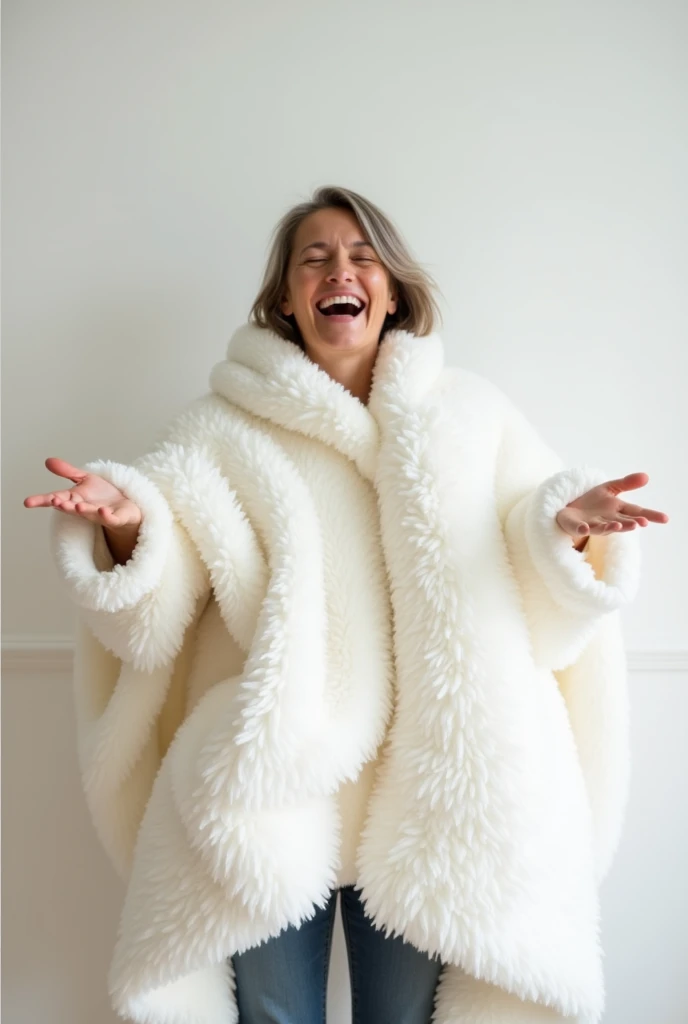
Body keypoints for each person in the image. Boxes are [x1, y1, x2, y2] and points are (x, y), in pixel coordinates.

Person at [25, 185, 668, 1024]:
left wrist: (568, 533)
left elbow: (524, 542)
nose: (341, 271)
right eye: (315, 259)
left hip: (424, 790)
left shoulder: (471, 414)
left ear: (392, 290)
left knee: (401, 1020)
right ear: (286, 297)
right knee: (273, 1016)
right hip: (276, 788)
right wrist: (128, 524)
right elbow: (163, 589)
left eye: (363, 257)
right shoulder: (219, 428)